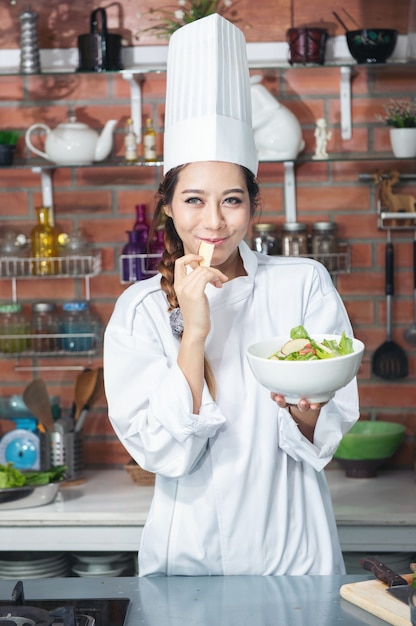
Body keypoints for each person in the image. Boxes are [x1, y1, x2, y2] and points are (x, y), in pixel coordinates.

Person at [103, 15, 360, 577]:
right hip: (191, 559)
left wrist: (309, 414)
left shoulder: (302, 283)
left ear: (254, 205)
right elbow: (164, 453)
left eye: (232, 201)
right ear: (168, 205)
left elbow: (327, 430)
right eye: (194, 200)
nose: (214, 222)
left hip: (296, 553)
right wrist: (195, 331)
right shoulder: (141, 310)